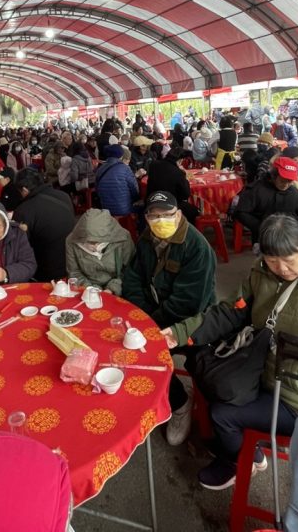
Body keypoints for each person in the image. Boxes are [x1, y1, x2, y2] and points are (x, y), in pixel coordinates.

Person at [163, 214, 298, 490]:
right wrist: (178, 333)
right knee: (204, 368)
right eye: (273, 260)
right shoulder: (261, 273)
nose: (282, 268)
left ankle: (241, 460)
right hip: (267, 373)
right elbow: (230, 312)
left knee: (222, 414)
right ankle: (244, 447)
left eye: (290, 259)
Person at [121, 191, 216, 447]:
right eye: (155, 216)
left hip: (192, 320)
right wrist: (142, 315)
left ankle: (180, 404)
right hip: (154, 314)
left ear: (179, 214)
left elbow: (188, 303)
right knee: (124, 345)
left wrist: (150, 325)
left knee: (147, 351)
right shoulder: (146, 239)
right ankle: (174, 397)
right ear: (146, 218)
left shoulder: (197, 248)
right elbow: (132, 279)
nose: (161, 220)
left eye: (168, 215)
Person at [11, 169, 75, 283]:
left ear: (24, 190)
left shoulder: (24, 210)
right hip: (72, 262)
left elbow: (19, 245)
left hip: (46, 272)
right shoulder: (64, 196)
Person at [232, 157, 298, 243]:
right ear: (274, 175)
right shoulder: (256, 189)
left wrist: (294, 227)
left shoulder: (295, 193)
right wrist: (261, 227)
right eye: (282, 181)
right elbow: (241, 212)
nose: (286, 185)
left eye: (289, 181)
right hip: (262, 238)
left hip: (289, 238)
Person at [65, 208, 135, 296]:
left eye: (99, 242)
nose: (95, 247)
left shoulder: (123, 238)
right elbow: (74, 273)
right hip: (87, 288)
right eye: (90, 242)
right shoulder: (71, 241)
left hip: (118, 286)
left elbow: (130, 271)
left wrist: (112, 289)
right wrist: (91, 289)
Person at [145, 146, 197, 223]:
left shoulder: (153, 165)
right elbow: (186, 195)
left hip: (151, 200)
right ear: (180, 160)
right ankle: (183, 229)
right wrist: (185, 179)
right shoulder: (178, 172)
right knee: (194, 211)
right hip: (169, 204)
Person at [95, 144, 140, 217]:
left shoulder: (100, 169)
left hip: (105, 209)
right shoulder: (125, 168)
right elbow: (134, 190)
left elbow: (97, 190)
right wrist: (136, 200)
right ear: (121, 156)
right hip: (124, 210)